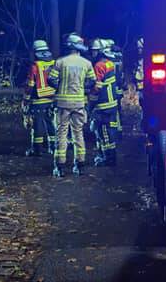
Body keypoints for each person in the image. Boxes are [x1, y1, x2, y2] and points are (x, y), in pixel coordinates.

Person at [48, 33, 96, 177]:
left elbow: (51, 79)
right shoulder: (86, 63)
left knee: (61, 133)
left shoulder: (60, 62)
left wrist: (60, 86)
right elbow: (92, 81)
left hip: (62, 103)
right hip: (79, 102)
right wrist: (82, 88)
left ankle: (60, 166)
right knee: (78, 132)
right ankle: (80, 164)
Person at [91, 40, 121, 166]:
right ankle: (111, 156)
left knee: (102, 132)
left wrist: (90, 102)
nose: (92, 52)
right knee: (109, 131)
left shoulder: (99, 66)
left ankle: (107, 158)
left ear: (101, 51)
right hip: (112, 103)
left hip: (103, 105)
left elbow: (97, 87)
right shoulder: (110, 63)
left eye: (95, 50)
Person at [24, 39, 57, 157]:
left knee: (37, 125)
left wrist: (26, 98)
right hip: (53, 98)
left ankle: (36, 149)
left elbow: (30, 84)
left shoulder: (35, 66)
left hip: (38, 99)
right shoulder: (54, 63)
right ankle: (53, 147)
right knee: (51, 123)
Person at [134, 37, 144, 101]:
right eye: (138, 48)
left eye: (140, 48)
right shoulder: (138, 59)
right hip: (139, 88)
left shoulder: (146, 60)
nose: (139, 50)